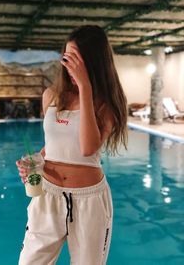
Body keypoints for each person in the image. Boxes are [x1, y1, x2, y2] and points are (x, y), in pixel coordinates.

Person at [16, 25, 128, 265]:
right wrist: (34, 161)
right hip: (47, 195)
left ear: (92, 61)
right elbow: (53, 146)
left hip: (89, 201)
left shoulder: (106, 105)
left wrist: (85, 88)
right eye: (66, 57)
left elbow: (88, 149)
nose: (68, 65)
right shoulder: (51, 96)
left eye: (75, 59)